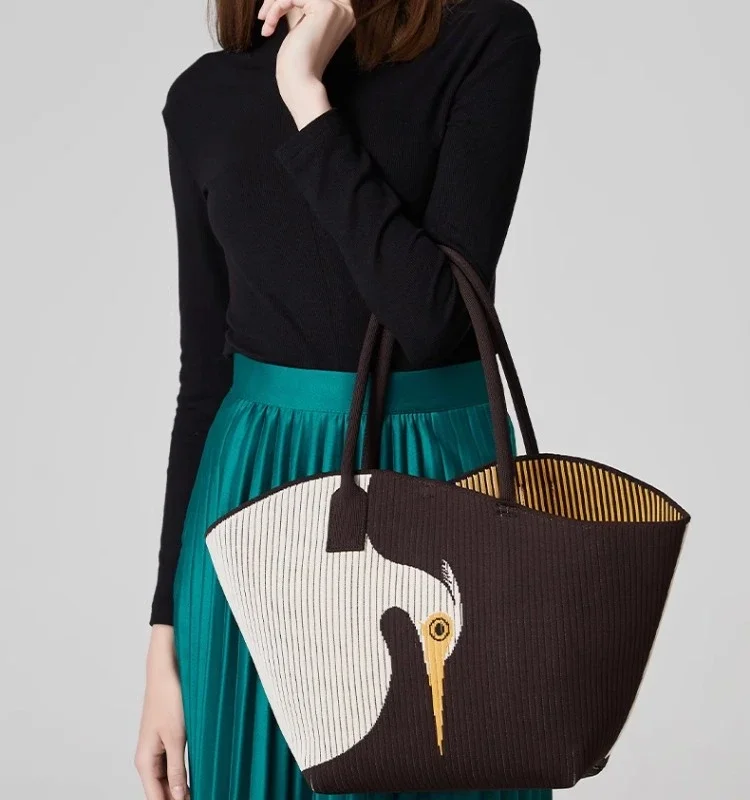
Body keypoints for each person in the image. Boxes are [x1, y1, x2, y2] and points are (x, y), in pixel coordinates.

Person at [134, 0, 544, 796]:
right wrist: (164, 640)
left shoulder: (483, 40)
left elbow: (433, 319)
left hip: (434, 490)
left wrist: (305, 92)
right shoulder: (203, 97)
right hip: (251, 500)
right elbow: (205, 382)